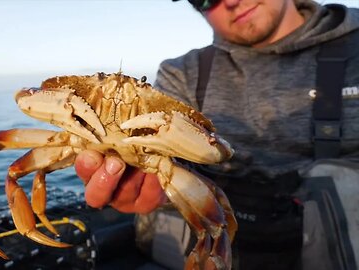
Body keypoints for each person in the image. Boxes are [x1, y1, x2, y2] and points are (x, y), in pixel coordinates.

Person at [75, 0, 359, 269]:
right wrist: (139, 180)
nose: (231, 2)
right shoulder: (182, 74)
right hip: (224, 241)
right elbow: (163, 163)